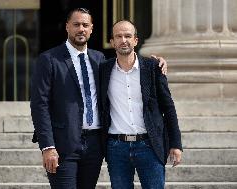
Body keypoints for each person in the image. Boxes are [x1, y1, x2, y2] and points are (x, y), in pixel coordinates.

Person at [30, 8, 167, 189]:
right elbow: (40, 105)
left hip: (95, 145)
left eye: (85, 25)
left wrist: (155, 63)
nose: (81, 29)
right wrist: (47, 146)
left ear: (92, 29)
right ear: (67, 27)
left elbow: (127, 62)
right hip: (63, 144)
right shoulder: (49, 59)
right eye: (76, 24)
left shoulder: (99, 59)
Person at [99, 20, 182, 189]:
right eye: (119, 36)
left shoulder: (153, 67)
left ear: (136, 40)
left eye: (128, 36)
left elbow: (168, 107)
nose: (124, 40)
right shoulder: (103, 70)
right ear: (112, 42)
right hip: (116, 148)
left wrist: (176, 144)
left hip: (149, 145)